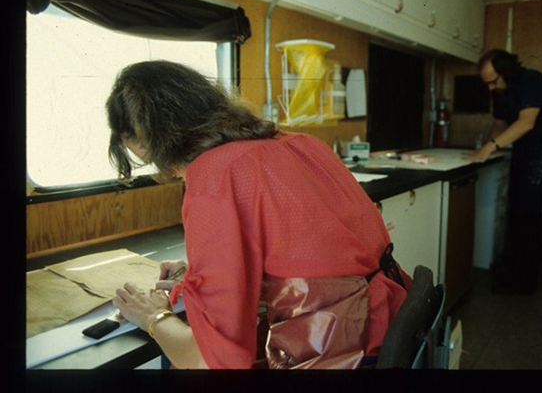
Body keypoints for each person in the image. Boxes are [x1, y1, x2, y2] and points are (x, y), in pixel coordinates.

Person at [107, 60, 412, 369]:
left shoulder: (214, 174)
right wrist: (202, 277)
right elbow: (315, 263)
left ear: (142, 139)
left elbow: (214, 363)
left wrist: (154, 317)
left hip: (340, 352)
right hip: (388, 321)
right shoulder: (302, 142)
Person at [464, 49, 542, 294]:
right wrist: (482, 149)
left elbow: (526, 122)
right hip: (524, 153)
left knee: (531, 216)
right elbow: (500, 124)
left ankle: (523, 283)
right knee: (516, 212)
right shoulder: (501, 90)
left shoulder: (532, 80)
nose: (490, 88)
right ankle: (513, 276)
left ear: (506, 71)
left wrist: (489, 148)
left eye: (492, 81)